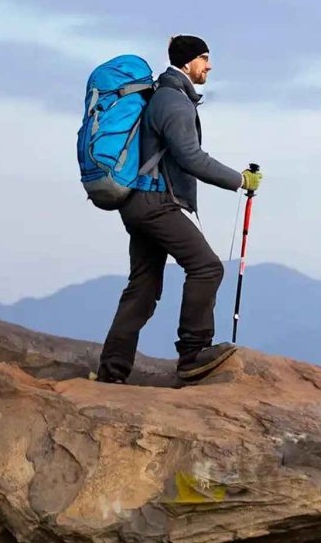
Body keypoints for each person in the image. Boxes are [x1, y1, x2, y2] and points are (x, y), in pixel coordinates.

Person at [96, 35, 262, 385]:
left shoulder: (163, 94)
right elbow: (191, 158)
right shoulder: (173, 101)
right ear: (187, 62)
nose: (209, 65)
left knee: (143, 286)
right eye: (204, 58)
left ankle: (112, 370)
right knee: (207, 268)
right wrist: (240, 180)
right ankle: (192, 355)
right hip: (155, 203)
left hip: (137, 203)